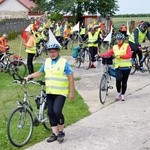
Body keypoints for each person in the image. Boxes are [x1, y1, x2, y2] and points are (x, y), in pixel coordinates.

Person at [25, 43, 75, 143]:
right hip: (50, 92)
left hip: (61, 92)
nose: (52, 54)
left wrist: (71, 92)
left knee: (57, 111)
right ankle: (55, 133)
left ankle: (61, 132)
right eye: (50, 52)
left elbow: (70, 76)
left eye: (54, 51)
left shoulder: (63, 62)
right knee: (50, 113)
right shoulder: (47, 62)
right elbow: (40, 72)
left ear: (58, 51)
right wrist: (29, 76)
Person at [99, 33, 132, 101]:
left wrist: (120, 56)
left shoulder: (127, 46)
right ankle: (118, 93)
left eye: (120, 39)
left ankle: (123, 94)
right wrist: (100, 55)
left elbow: (129, 55)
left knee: (124, 82)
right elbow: (109, 53)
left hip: (126, 67)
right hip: (118, 67)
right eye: (118, 39)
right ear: (116, 40)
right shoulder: (114, 47)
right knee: (118, 80)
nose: (119, 41)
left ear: (123, 40)